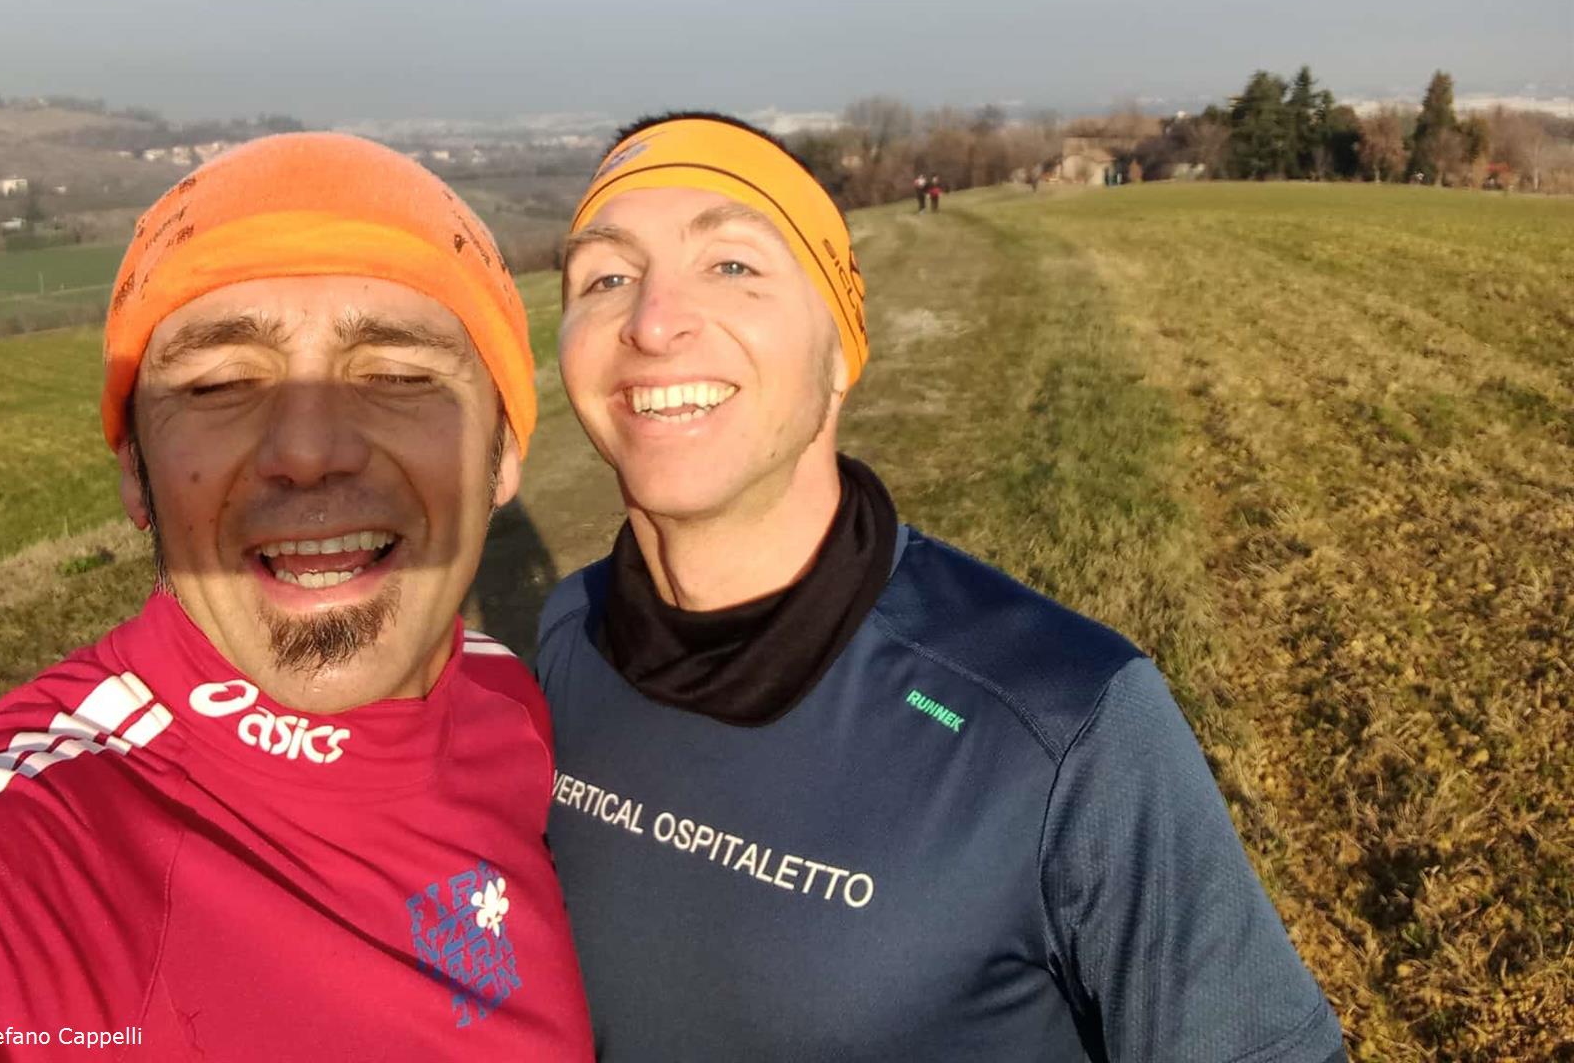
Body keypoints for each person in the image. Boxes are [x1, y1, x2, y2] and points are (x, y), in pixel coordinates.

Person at [0, 135, 594, 1061]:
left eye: (397, 376)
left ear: (504, 448)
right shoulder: (17, 865)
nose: (308, 451)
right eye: (220, 383)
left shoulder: (506, 700)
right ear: (137, 473)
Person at [536, 112, 1345, 1062]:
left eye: (732, 265)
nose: (652, 321)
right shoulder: (562, 637)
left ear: (840, 351)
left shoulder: (1067, 723)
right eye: (607, 278)